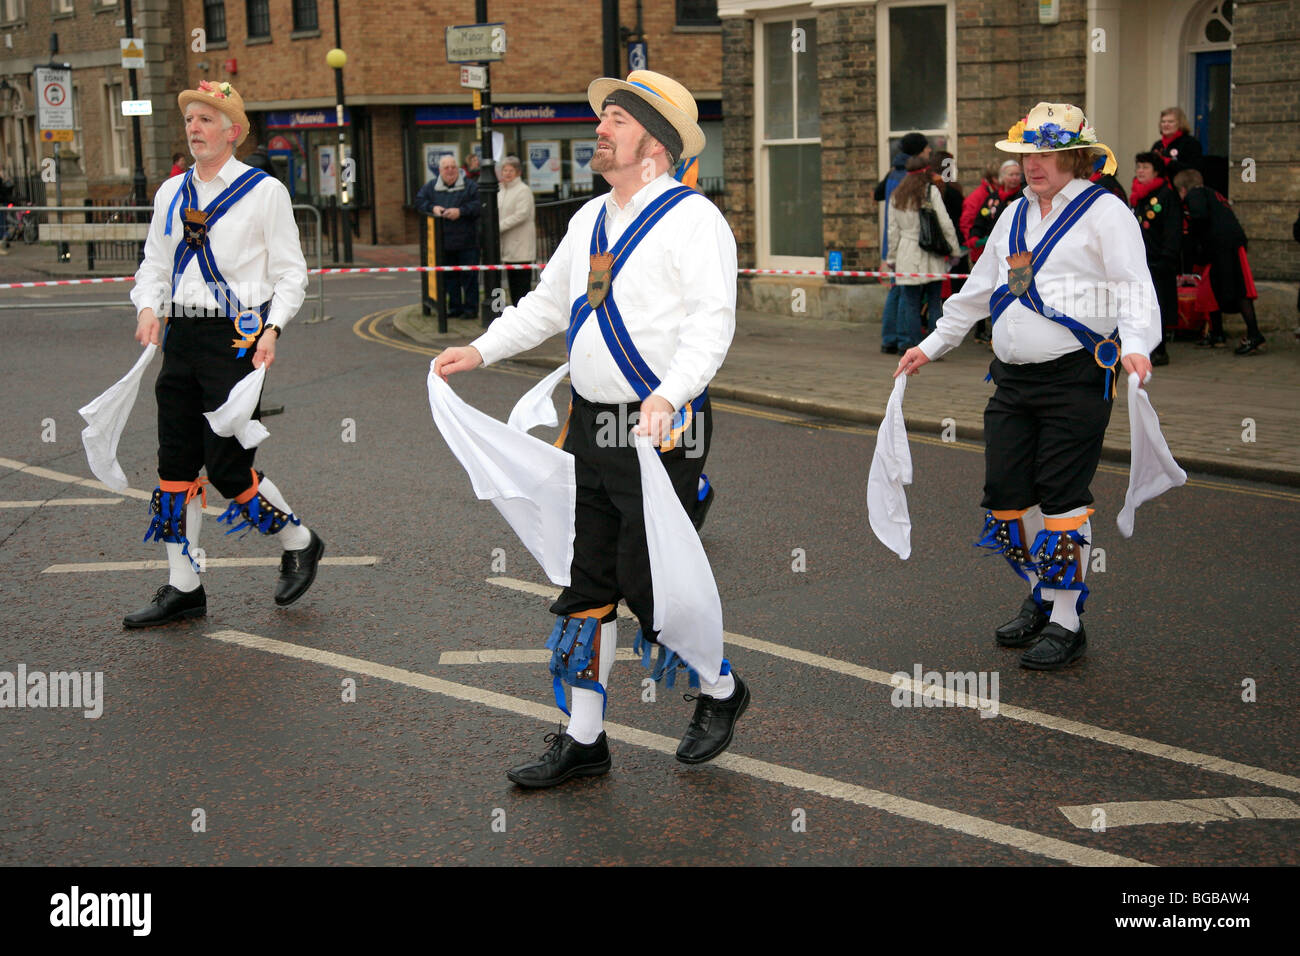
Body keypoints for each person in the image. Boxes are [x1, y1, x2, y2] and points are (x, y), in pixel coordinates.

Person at [433, 69, 746, 787]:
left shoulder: (695, 221)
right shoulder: (588, 219)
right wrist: (480, 349)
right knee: (587, 579)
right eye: (603, 116)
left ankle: (722, 690)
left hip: (664, 427)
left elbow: (710, 325)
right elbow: (546, 307)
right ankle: (584, 740)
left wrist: (669, 397)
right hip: (589, 424)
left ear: (657, 146)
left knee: (649, 581)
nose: (600, 128)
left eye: (617, 120)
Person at [895, 102, 1158, 671]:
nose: (1033, 166)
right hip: (1011, 380)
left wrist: (1137, 343)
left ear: (1074, 156)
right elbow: (979, 288)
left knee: (1062, 499)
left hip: (1078, 377)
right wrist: (932, 345)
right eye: (1026, 155)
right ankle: (1045, 592)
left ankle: (1068, 619)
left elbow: (1134, 286)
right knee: (1010, 495)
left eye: (1045, 154)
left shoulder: (1105, 213)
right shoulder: (1014, 214)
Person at [125, 80, 320, 628]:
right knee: (174, 465)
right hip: (182, 336)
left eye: (207, 119)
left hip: (240, 338)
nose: (195, 128)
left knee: (229, 468)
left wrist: (274, 328)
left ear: (232, 133)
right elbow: (154, 265)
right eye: (191, 119)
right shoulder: (170, 193)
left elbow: (290, 274)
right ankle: (183, 586)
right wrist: (147, 307)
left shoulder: (265, 193)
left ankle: (299, 540)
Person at [1174, 168, 1265, 354]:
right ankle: (1217, 334)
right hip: (1226, 246)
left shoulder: (1195, 194)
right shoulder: (1214, 194)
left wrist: (1192, 239)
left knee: (1239, 291)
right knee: (1209, 289)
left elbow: (1199, 217)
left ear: (1183, 189)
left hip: (1224, 248)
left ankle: (1254, 334)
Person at [886, 156, 959, 349]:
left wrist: (891, 258)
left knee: (910, 303)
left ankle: (913, 345)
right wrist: (954, 250)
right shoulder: (931, 190)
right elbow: (945, 223)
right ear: (926, 171)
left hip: (906, 251)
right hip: (931, 251)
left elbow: (892, 231)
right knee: (935, 302)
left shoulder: (896, 195)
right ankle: (933, 347)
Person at [874, 132, 930, 354]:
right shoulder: (909, 176)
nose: (929, 151)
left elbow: (876, 194)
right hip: (902, 241)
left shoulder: (892, 173)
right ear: (917, 152)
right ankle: (903, 339)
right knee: (904, 292)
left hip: (892, 239)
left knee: (896, 291)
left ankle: (889, 338)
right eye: (926, 148)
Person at [961, 160, 1021, 342]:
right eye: (1011, 174)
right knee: (983, 290)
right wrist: (974, 236)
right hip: (990, 253)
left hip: (1014, 254)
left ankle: (1005, 333)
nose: (1014, 178)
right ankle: (983, 331)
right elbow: (980, 219)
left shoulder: (1022, 197)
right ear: (1002, 177)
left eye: (1017, 174)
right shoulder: (993, 198)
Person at [415, 154, 481, 318]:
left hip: (468, 242)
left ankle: (471, 310)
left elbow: (479, 205)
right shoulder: (431, 187)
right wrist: (432, 208)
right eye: (446, 167)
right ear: (440, 171)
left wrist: (461, 211)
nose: (450, 170)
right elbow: (419, 201)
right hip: (443, 242)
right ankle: (455, 308)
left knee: (470, 277)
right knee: (450, 278)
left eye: (453, 167)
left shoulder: (470, 186)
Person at [1130, 152, 1179, 365]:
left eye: (1145, 167)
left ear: (1156, 171)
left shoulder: (1166, 194)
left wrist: (1167, 257)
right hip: (1142, 260)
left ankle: (1160, 350)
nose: (1140, 171)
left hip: (1159, 261)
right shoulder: (1138, 195)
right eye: (1138, 166)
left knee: (1158, 304)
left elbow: (1173, 229)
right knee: (1142, 305)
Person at [497, 154, 536, 307]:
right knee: (512, 284)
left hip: (521, 245)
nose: (507, 173)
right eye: (504, 170)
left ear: (518, 172)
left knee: (522, 286)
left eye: (510, 170)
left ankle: (524, 316)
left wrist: (499, 226)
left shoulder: (523, 190)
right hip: (507, 246)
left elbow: (521, 214)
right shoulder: (500, 190)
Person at [1150, 107, 1201, 179]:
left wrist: (1167, 162)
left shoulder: (1190, 143)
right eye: (1163, 122)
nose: (1166, 124)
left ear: (1180, 124)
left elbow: (1193, 170)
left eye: (1170, 122)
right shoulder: (1158, 145)